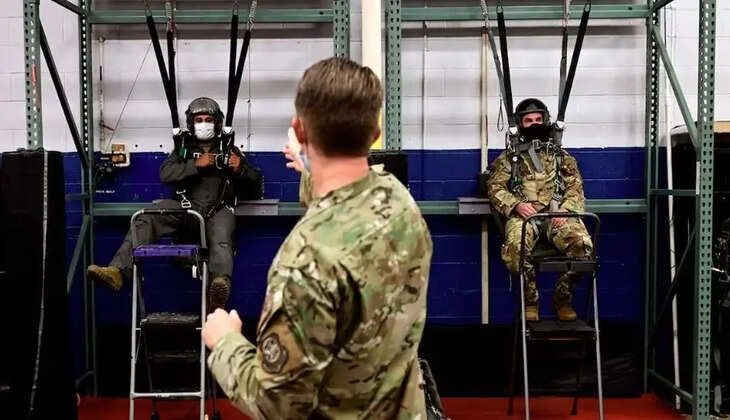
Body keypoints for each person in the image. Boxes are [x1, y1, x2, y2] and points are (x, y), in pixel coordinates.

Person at [201, 57, 433, 419]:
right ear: (374, 132)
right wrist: (308, 167)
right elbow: (348, 201)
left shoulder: (305, 260)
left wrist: (225, 342)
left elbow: (277, 404)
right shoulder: (400, 204)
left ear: (299, 128)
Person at [86, 97, 263, 310]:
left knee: (222, 235)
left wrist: (241, 169)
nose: (204, 124)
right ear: (191, 123)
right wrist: (194, 165)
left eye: (208, 120)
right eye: (199, 120)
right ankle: (117, 271)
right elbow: (165, 174)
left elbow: (256, 185)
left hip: (218, 210)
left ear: (216, 123)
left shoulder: (230, 150)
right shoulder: (182, 150)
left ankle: (219, 288)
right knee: (145, 217)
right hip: (186, 208)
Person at [487, 98, 594, 322]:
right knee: (515, 251)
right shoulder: (510, 159)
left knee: (583, 248)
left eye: (538, 119)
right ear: (520, 124)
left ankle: (562, 299)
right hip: (525, 216)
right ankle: (531, 301)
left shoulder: (561, 157)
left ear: (545, 121)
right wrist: (516, 204)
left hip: (558, 215)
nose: (534, 124)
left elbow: (576, 187)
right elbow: (495, 188)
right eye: (529, 120)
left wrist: (566, 210)